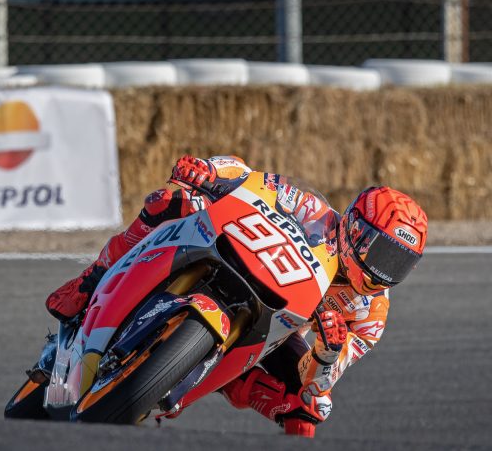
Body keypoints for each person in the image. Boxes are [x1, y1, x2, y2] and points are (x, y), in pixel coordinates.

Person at [45, 155, 428, 437]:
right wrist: (210, 173)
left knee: (310, 407)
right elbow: (250, 177)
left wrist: (327, 352)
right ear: (356, 228)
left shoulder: (370, 315)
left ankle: (188, 382)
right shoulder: (315, 212)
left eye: (398, 263)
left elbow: (320, 382)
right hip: (239, 253)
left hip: (276, 329)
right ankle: (90, 280)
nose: (384, 270)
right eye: (383, 253)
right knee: (170, 201)